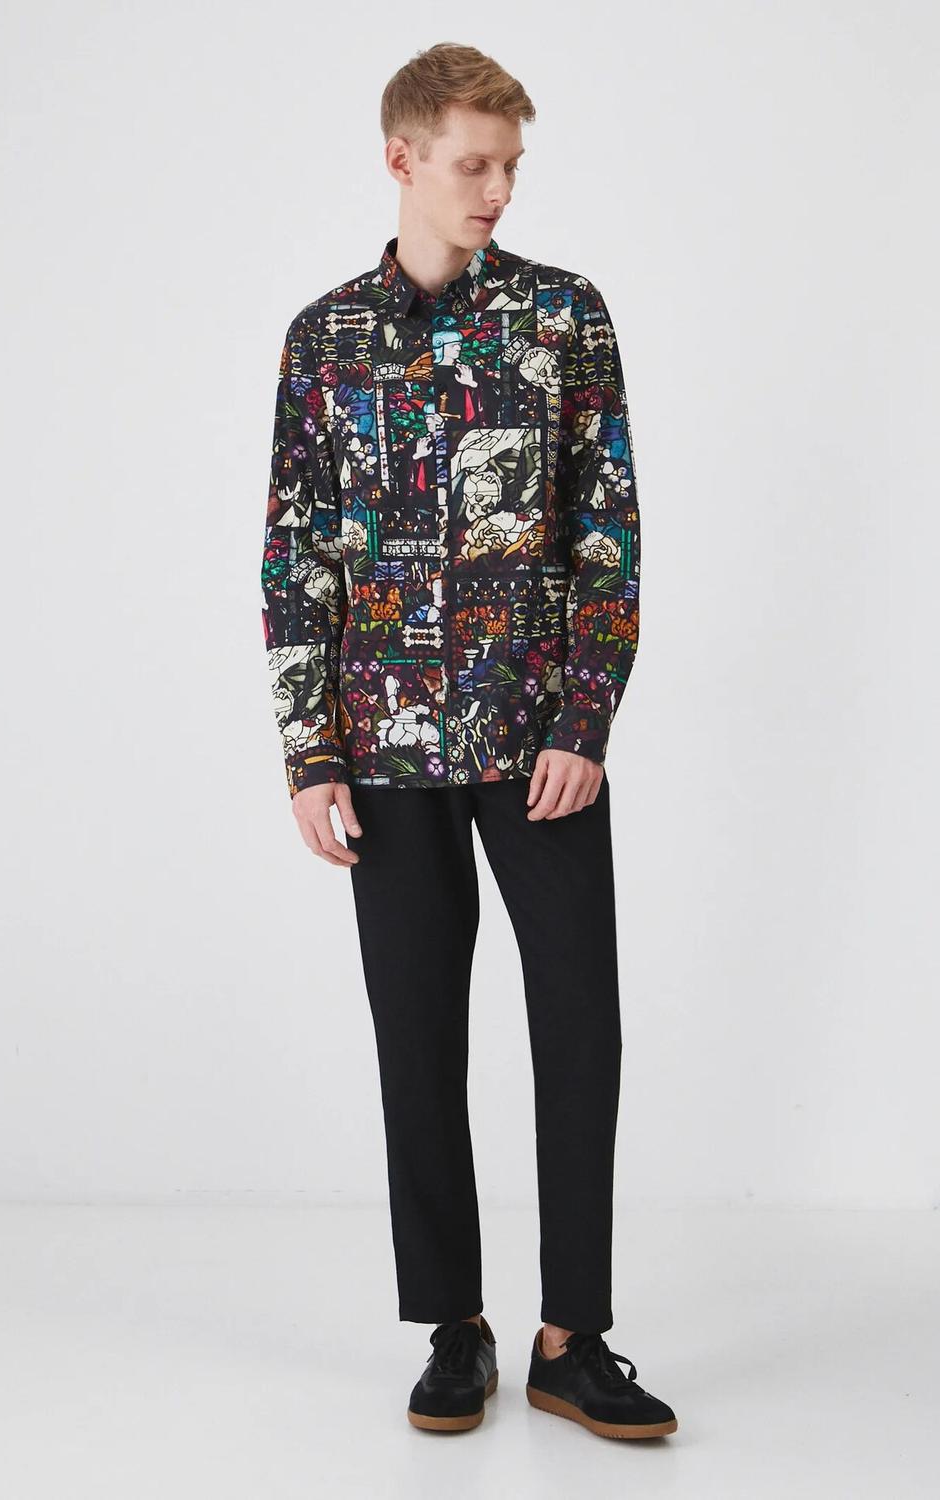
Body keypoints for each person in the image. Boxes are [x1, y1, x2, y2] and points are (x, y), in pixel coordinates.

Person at [260, 41, 677, 1441]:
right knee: (418, 1039)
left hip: (540, 746)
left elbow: (609, 536)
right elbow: (295, 558)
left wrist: (586, 716)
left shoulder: (565, 320)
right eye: (474, 163)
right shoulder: (324, 341)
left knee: (581, 1032)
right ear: (403, 159)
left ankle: (574, 1337)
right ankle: (454, 1325)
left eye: (511, 165)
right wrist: (310, 751)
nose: (498, 189)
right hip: (385, 750)